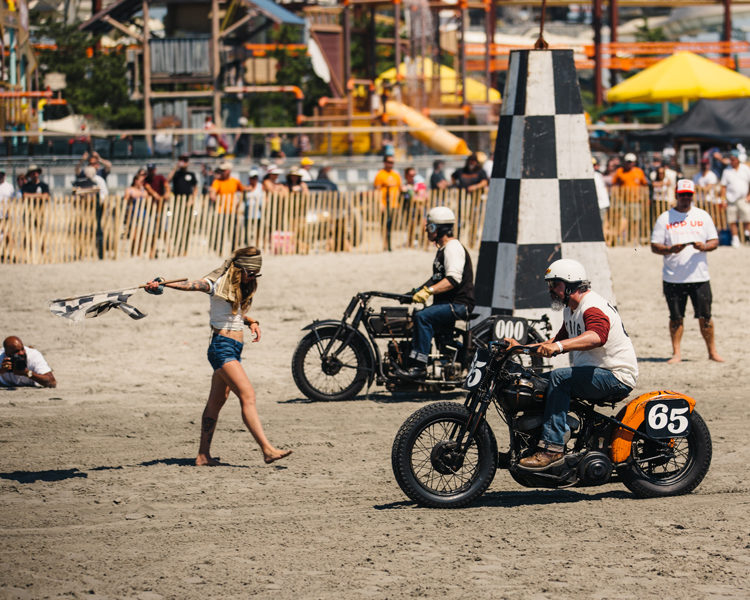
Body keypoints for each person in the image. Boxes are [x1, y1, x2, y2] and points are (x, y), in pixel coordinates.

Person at [143, 247, 291, 466]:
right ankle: (268, 450)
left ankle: (203, 455)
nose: (252, 278)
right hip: (222, 349)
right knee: (248, 396)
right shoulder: (216, 283)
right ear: (238, 269)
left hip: (233, 349)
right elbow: (192, 285)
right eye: (249, 273)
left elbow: (233, 314)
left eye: (255, 274)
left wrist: (251, 321)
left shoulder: (236, 288)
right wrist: (163, 283)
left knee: (216, 402)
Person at [508, 259, 638, 470]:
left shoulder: (591, 307)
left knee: (559, 378)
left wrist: (558, 346)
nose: (550, 290)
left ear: (570, 284)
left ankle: (552, 448)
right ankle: (532, 440)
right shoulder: (570, 310)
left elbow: (597, 336)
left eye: (555, 284)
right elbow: (554, 342)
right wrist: (519, 348)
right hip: (592, 374)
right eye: (549, 285)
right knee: (535, 382)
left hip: (615, 376)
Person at [396, 207, 475, 379]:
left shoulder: (453, 248)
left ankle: (419, 366)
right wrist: (414, 293)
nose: (426, 230)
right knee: (443, 340)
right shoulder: (443, 249)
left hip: (459, 304)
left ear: (437, 229)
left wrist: (428, 292)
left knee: (422, 317)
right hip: (447, 304)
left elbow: (453, 280)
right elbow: (436, 278)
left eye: (429, 227)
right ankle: (462, 359)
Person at [651, 179, 723, 364]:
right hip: (673, 277)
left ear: (693, 196)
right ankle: (676, 353)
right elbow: (654, 246)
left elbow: (714, 241)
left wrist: (704, 246)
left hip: (700, 276)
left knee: (705, 317)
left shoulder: (702, 216)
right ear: (676, 195)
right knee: (676, 317)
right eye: (682, 195)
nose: (685, 198)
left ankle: (712, 352)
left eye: (688, 195)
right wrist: (670, 249)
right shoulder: (665, 218)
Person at [719, 150, 750, 248]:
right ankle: (735, 239)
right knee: (732, 220)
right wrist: (723, 199)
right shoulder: (726, 171)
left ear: (738, 159)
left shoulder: (745, 169)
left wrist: (749, 195)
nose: (732, 161)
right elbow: (723, 187)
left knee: (747, 219)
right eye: (731, 159)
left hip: (743, 198)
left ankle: (747, 236)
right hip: (731, 200)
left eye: (733, 159)